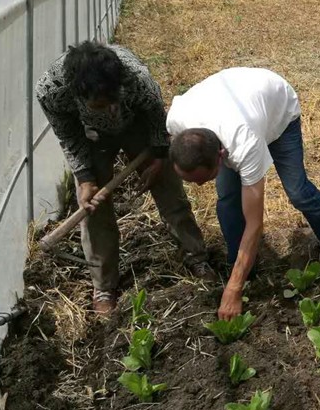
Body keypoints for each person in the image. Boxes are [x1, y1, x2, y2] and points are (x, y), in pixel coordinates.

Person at [36, 42, 216, 315]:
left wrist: (158, 156)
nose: (109, 107)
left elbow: (156, 115)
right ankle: (104, 286)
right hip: (91, 136)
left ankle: (197, 257)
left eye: (112, 99)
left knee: (169, 191)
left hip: (138, 125)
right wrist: (85, 178)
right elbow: (68, 135)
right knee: (94, 208)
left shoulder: (135, 77)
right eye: (100, 103)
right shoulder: (52, 91)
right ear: (78, 94)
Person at [166, 67, 320, 320]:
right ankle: (243, 268)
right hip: (237, 101)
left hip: (277, 110)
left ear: (221, 157)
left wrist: (233, 289)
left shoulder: (244, 144)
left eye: (203, 179)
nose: (199, 186)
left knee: (297, 191)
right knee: (228, 199)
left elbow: (255, 223)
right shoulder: (177, 120)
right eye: (191, 181)